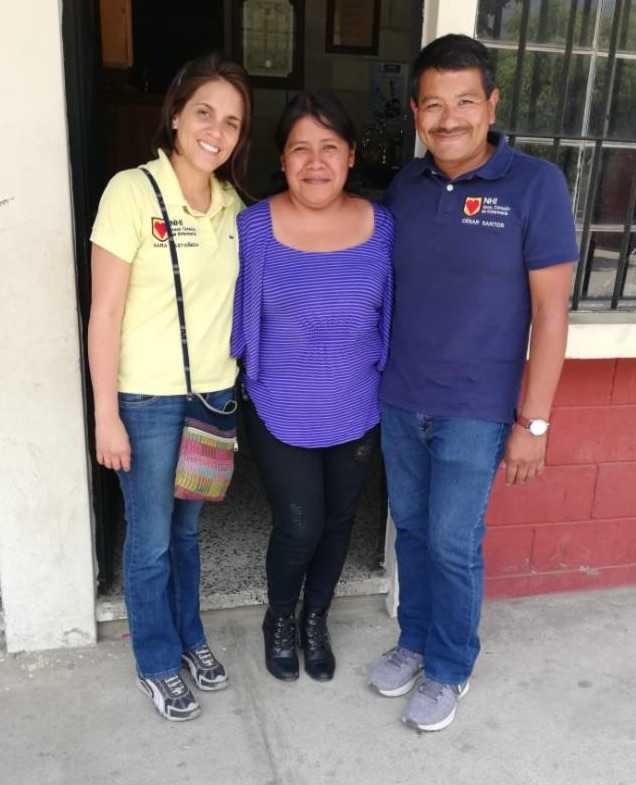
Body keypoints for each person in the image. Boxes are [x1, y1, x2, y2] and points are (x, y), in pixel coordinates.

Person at [368, 34, 578, 731]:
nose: (449, 118)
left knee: (453, 542)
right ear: (415, 112)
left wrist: (534, 422)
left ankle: (450, 666)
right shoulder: (406, 185)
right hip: (401, 396)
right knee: (411, 530)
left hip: (476, 410)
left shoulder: (535, 185)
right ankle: (414, 641)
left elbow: (551, 313)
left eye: (465, 101)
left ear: (491, 103)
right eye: (434, 104)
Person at [87, 52, 252, 722]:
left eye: (232, 122)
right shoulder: (130, 192)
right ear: (177, 114)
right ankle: (156, 660)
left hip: (214, 399)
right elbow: (103, 313)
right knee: (151, 540)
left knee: (187, 532)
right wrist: (105, 414)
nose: (217, 130)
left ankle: (190, 636)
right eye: (205, 112)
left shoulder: (236, 206)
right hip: (147, 402)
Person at [232, 90, 394, 682]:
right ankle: (280, 619)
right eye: (300, 149)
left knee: (338, 521)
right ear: (282, 159)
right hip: (278, 402)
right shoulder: (253, 227)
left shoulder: (383, 227)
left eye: (329, 147)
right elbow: (230, 319)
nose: (315, 162)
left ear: (351, 155)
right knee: (300, 524)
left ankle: (315, 619)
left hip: (357, 401)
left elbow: (394, 317)